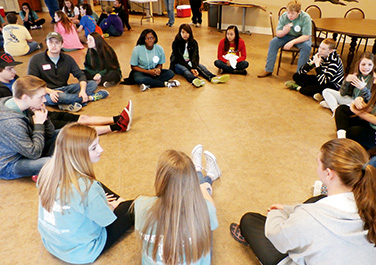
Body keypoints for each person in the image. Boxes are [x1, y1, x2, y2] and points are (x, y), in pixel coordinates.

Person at [230, 138, 376, 265]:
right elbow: (311, 213)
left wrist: (277, 212)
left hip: (299, 239)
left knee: (249, 220)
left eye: (318, 163)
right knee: (318, 199)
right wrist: (289, 209)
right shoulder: (372, 204)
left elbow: (277, 237)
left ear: (328, 173)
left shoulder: (308, 217)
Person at [37, 123, 135, 264]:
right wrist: (113, 206)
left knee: (98, 187)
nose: (101, 149)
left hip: (53, 243)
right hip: (81, 252)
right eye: (94, 148)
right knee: (133, 206)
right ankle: (119, 203)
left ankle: (103, 202)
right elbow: (105, 220)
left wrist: (97, 201)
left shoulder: (47, 171)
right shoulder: (88, 188)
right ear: (78, 154)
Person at [0, 52, 132, 135]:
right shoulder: (2, 92)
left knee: (81, 118)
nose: (13, 71)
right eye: (10, 68)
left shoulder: (15, 79)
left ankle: (117, 118)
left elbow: (32, 89)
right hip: (33, 120)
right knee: (75, 128)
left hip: (39, 111)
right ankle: (116, 126)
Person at [133, 144, 220, 264]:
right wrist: (201, 188)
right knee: (205, 211)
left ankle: (200, 171)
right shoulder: (206, 210)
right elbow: (211, 212)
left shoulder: (140, 204)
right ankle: (205, 176)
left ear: (159, 179)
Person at [28, 32, 107, 112]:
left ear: (62, 45)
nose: (54, 45)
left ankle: (67, 102)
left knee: (92, 84)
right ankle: (90, 98)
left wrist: (83, 91)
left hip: (65, 89)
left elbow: (80, 75)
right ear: (46, 43)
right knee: (60, 97)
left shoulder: (67, 59)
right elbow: (31, 82)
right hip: (46, 92)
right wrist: (50, 91)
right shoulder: (36, 59)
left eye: (57, 42)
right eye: (51, 42)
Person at [0, 75, 56, 180]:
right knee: (51, 162)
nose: (44, 100)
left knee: (63, 133)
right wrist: (38, 124)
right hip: (10, 163)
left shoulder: (24, 105)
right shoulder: (11, 123)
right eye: (41, 97)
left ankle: (48, 167)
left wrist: (45, 118)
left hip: (27, 148)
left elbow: (50, 134)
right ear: (25, 97)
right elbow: (34, 154)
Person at [335, 62, 376, 150]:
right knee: (342, 109)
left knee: (353, 132)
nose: (374, 82)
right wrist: (360, 103)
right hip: (371, 124)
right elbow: (373, 109)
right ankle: (341, 138)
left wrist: (356, 111)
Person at [258, 0, 311, 78]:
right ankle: (268, 69)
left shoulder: (305, 17)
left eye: (292, 13)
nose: (290, 15)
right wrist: (284, 31)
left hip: (300, 38)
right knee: (273, 42)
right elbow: (278, 33)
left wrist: (292, 42)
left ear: (299, 12)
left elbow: (306, 36)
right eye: (288, 13)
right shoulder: (284, 16)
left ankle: (300, 74)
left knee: (306, 47)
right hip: (287, 36)